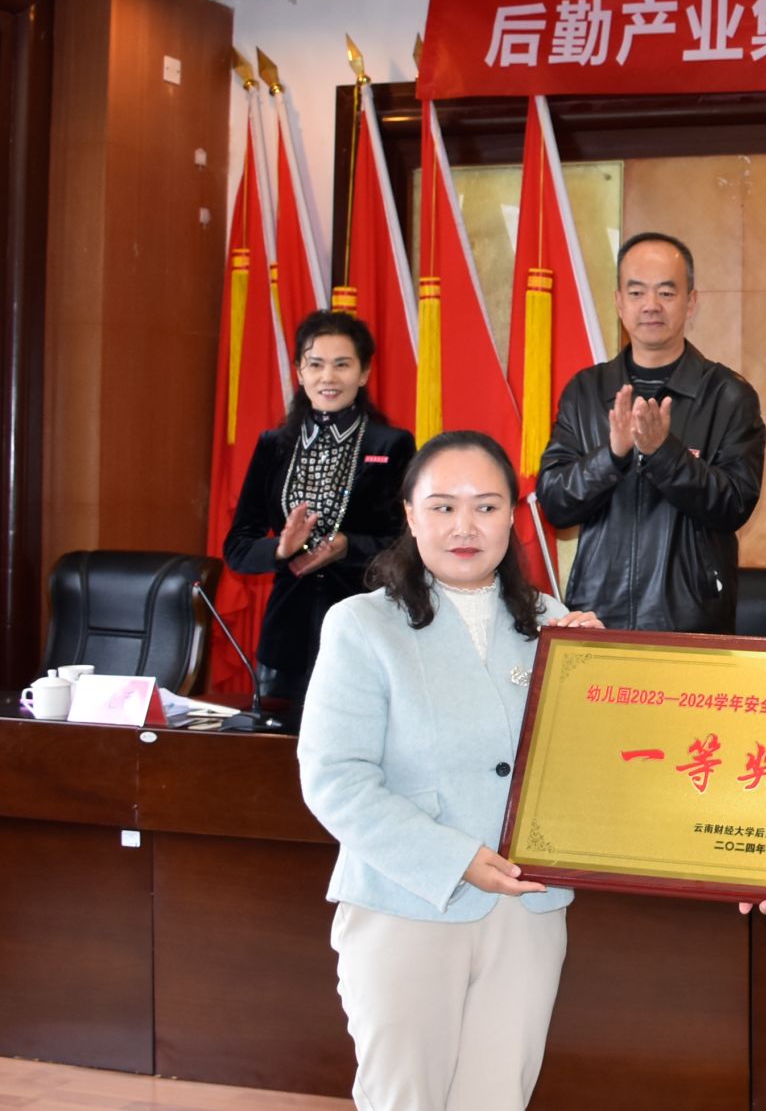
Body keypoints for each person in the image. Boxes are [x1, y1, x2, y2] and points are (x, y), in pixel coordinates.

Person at [298, 430, 602, 1111]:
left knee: (498, 1097)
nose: (466, 526)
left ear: (512, 517)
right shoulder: (361, 625)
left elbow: (590, 770)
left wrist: (603, 681)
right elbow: (335, 777)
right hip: (406, 901)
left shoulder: (555, 623)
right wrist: (454, 858)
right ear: (410, 515)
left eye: (486, 507)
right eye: (443, 507)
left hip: (526, 909)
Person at [537, 231, 765, 632]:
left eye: (666, 292)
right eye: (637, 292)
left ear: (691, 302)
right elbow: (555, 503)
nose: (651, 305)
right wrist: (611, 456)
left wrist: (664, 454)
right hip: (596, 616)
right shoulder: (585, 391)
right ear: (619, 302)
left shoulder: (728, 395)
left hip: (689, 620)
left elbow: (734, 505)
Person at [225, 308, 414, 725]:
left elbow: (409, 542)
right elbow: (237, 548)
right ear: (299, 372)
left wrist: (348, 547)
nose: (328, 377)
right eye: (316, 364)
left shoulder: (391, 445)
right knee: (277, 753)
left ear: (363, 373)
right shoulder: (273, 445)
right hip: (286, 640)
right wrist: (280, 549)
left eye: (342, 364)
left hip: (364, 627)